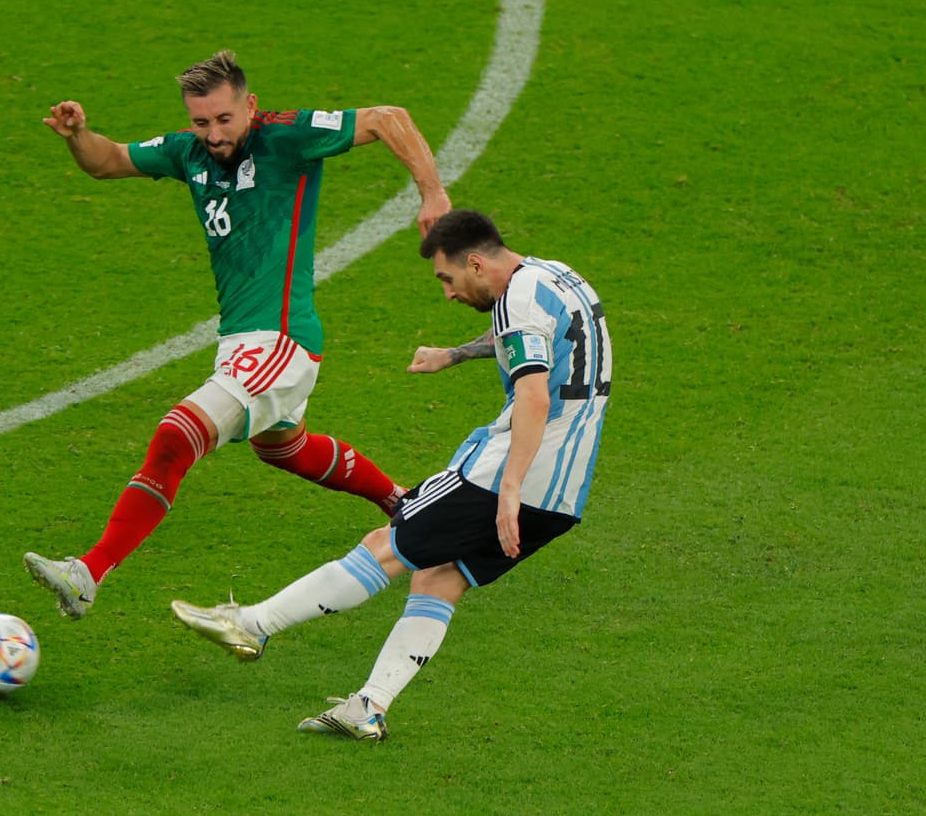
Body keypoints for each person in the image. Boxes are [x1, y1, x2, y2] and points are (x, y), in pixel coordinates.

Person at [24, 50, 452, 619]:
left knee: (177, 436)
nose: (214, 134)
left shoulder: (288, 137)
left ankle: (88, 572)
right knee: (285, 448)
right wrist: (78, 135)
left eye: (225, 119)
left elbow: (389, 116)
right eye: (201, 122)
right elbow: (109, 162)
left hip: (279, 340)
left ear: (249, 105)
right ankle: (403, 501)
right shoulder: (188, 152)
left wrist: (433, 193)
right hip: (242, 341)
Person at [171, 209, 612, 741]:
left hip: (506, 476)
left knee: (388, 543)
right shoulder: (557, 277)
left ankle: (252, 625)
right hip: (563, 495)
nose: (448, 293)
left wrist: (509, 489)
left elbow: (534, 396)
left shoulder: (515, 300)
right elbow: (529, 339)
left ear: (475, 262)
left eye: (448, 278)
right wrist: (453, 354)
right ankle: (369, 707)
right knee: (440, 575)